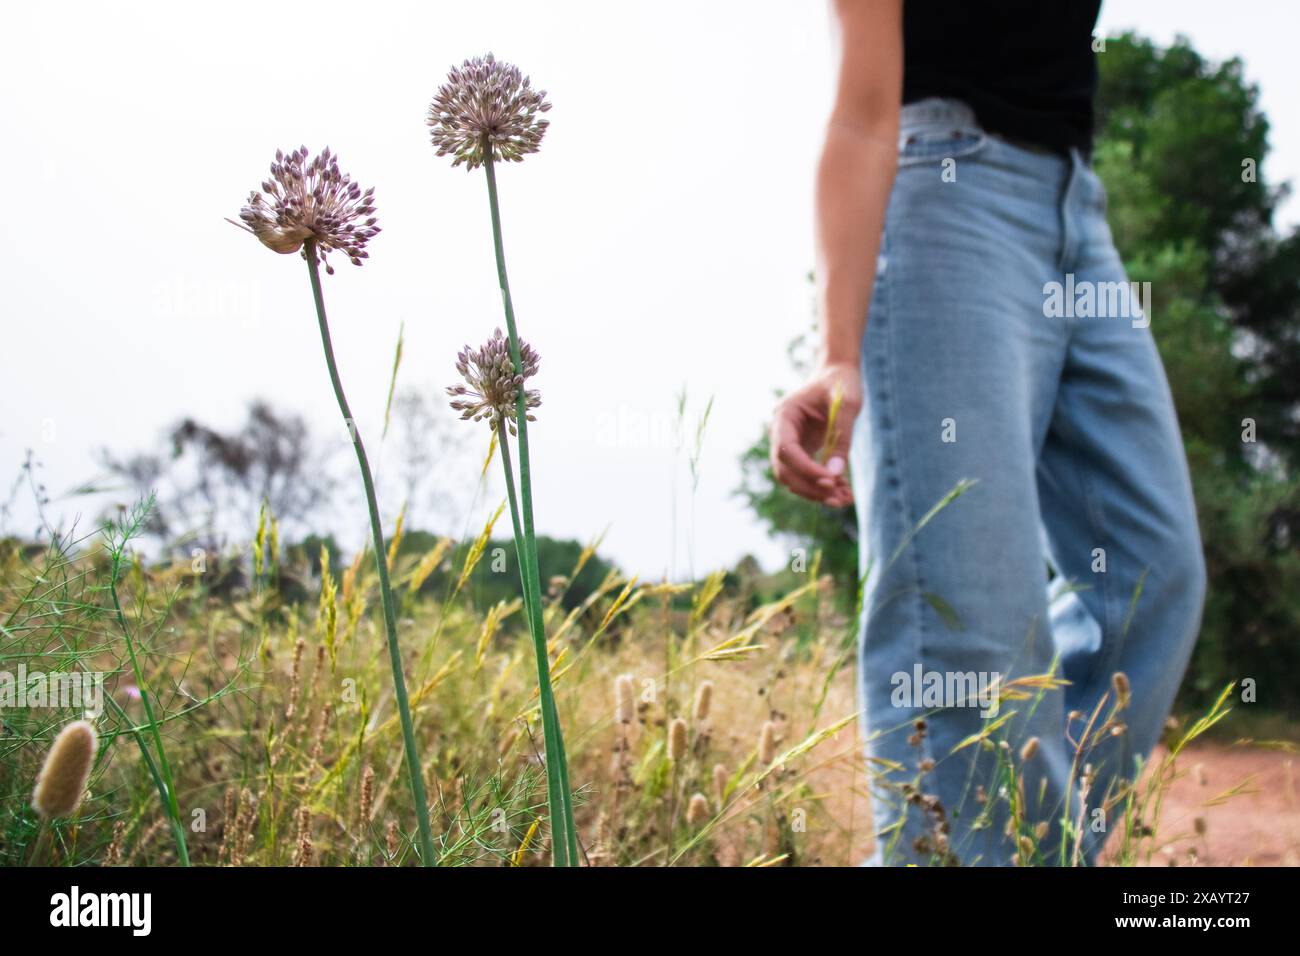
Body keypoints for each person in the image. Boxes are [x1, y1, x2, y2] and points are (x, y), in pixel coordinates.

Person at [769, 0, 1206, 865]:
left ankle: (1003, 853)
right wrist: (837, 354)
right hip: (945, 197)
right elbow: (862, 112)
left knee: (1151, 579)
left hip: (1080, 210)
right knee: (967, 633)